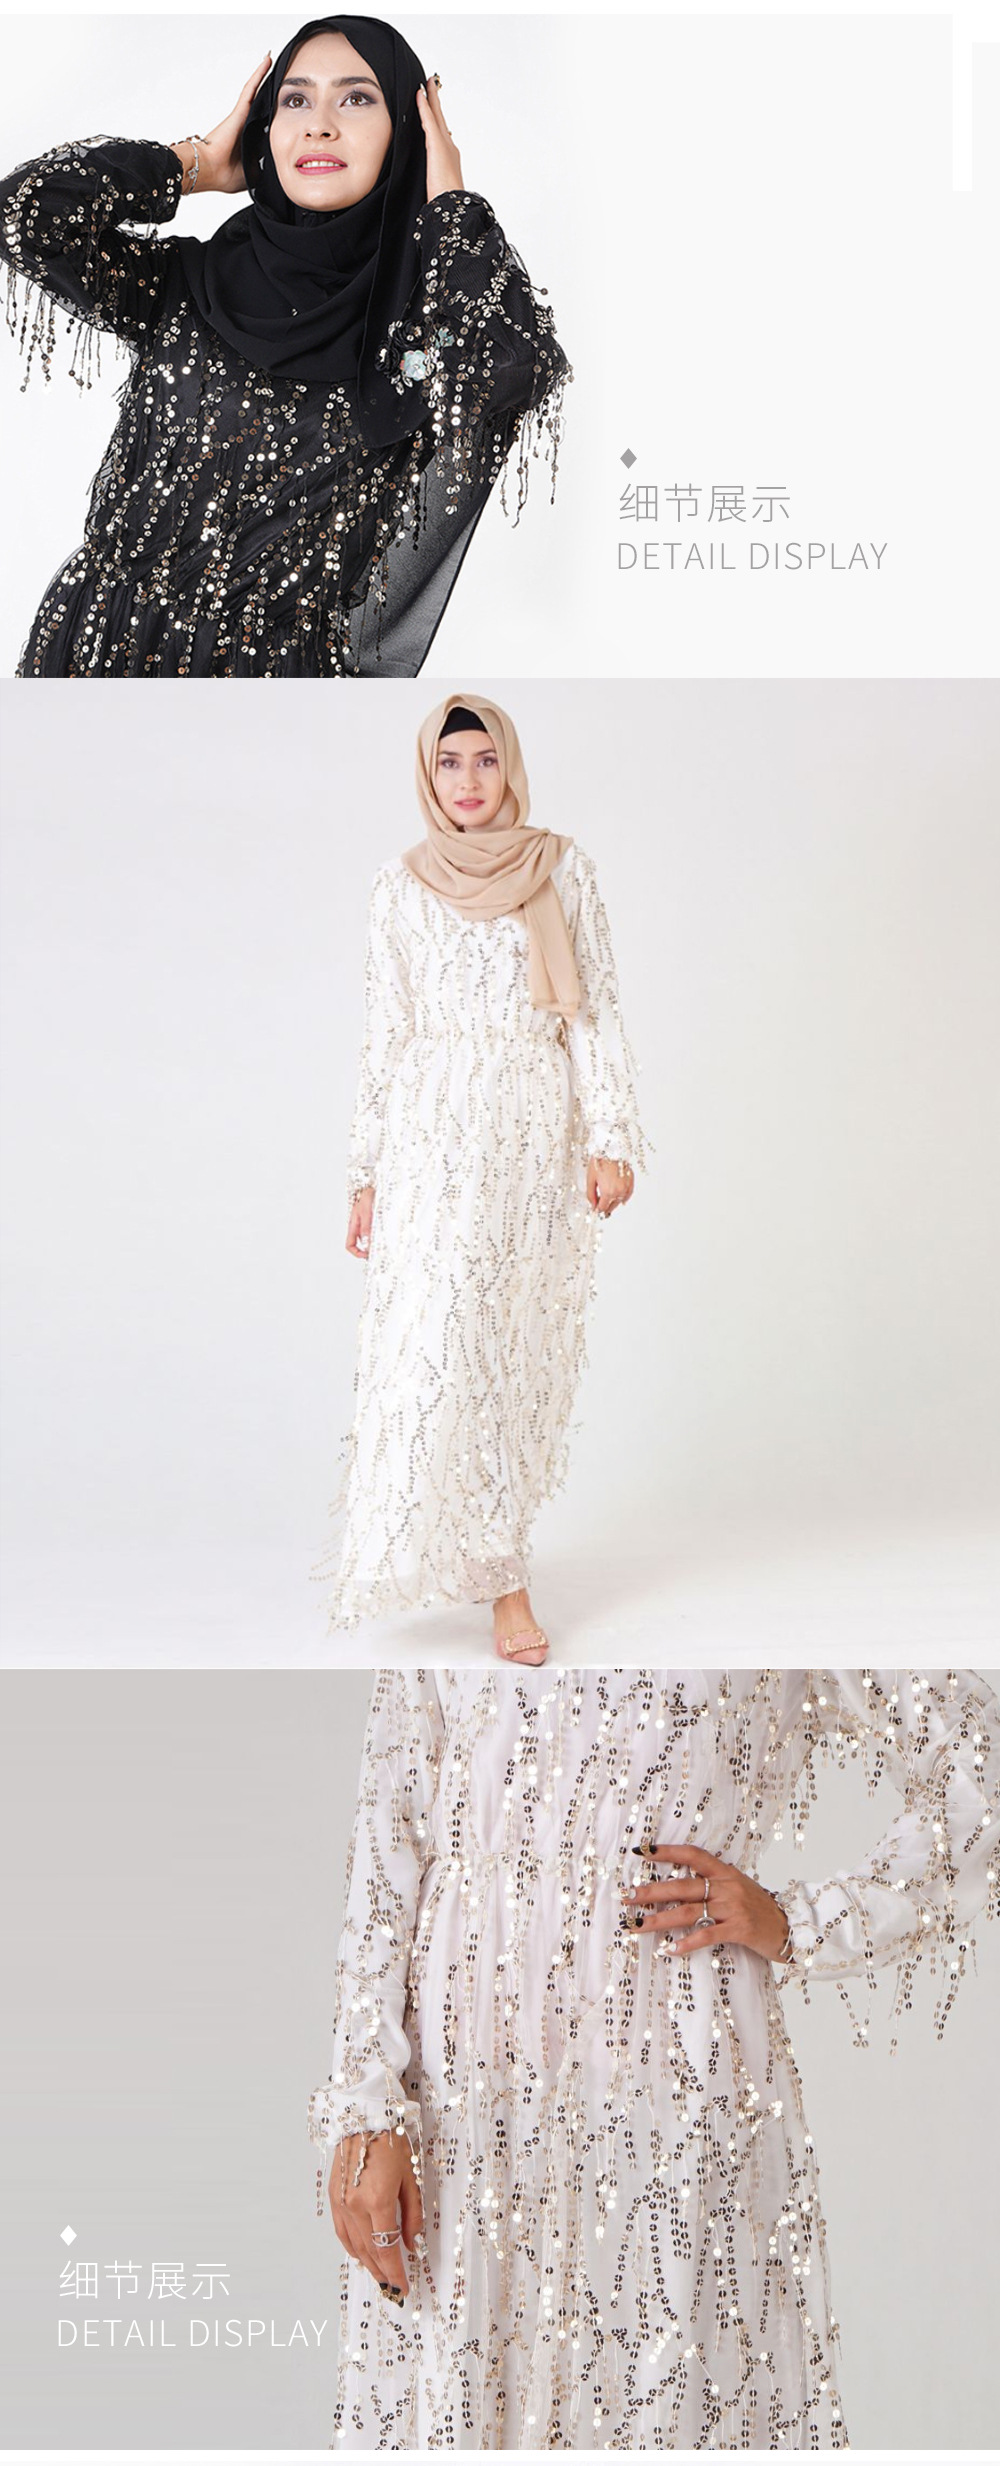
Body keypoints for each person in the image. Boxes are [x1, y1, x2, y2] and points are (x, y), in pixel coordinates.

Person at [309, 1665, 1000, 2450]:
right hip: (460, 2100)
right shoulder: (463, 1589)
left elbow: (981, 1768)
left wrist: (802, 1923)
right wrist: (366, 2103)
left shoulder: (783, 1594)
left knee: (666, 2390)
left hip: (676, 2085)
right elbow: (389, 1832)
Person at [0, 17, 567, 676]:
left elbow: (514, 364)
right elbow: (23, 216)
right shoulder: (186, 285)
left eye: (356, 98)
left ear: (409, 132)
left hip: (272, 687)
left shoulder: (418, 342)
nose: (318, 125)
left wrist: (451, 207)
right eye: (295, 99)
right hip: (97, 651)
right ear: (265, 126)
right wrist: (194, 164)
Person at [321, 695, 645, 1655]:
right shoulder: (398, 886)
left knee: (506, 1349)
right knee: (438, 1341)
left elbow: (595, 1010)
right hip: (429, 1134)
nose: (468, 782)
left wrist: (610, 1136)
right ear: (429, 775)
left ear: (511, 768)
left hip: (529, 1131)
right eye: (449, 763)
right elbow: (387, 1034)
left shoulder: (561, 869)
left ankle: (499, 1564)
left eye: (485, 760)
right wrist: (366, 1173)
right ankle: (484, 1571)